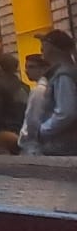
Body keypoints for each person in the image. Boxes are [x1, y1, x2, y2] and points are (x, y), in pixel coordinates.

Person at [31, 29, 77, 158]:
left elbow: (66, 112)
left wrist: (42, 130)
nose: (41, 48)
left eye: (43, 44)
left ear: (51, 47)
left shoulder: (64, 75)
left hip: (63, 146)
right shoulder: (69, 71)